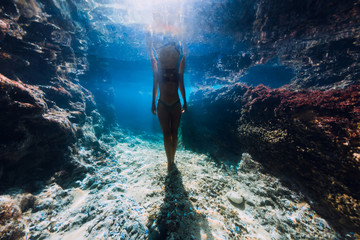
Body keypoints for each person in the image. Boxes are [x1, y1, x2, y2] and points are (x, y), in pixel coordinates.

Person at [147, 34, 187, 173]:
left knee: (174, 133)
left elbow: (181, 83)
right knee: (166, 134)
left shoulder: (178, 67)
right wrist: (153, 103)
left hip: (176, 103)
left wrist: (185, 101)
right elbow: (155, 85)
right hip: (162, 103)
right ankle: (168, 161)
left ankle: (173, 159)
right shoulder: (158, 68)